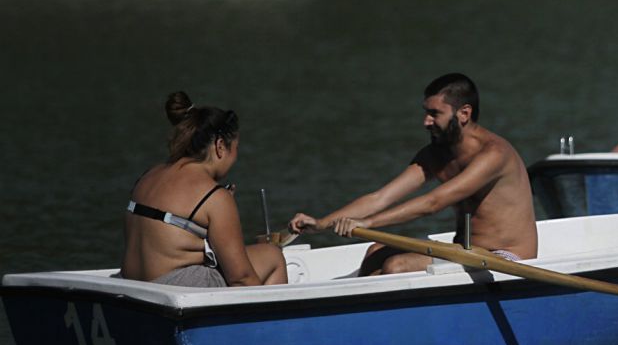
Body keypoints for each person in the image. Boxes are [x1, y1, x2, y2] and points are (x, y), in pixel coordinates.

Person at [287, 73, 538, 275]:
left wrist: (368, 223)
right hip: (465, 250)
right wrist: (322, 224)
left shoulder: (494, 154)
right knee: (376, 252)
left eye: (435, 114)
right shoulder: (434, 154)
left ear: (464, 113)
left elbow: (433, 202)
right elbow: (379, 198)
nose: (426, 122)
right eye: (426, 112)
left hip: (507, 258)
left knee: (396, 266)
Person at [121, 92, 287, 287]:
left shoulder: (149, 175)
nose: (235, 157)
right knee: (272, 256)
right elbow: (240, 277)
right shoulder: (214, 196)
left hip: (132, 283)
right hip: (173, 286)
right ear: (220, 147)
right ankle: (271, 318)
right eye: (235, 148)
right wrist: (222, 203)